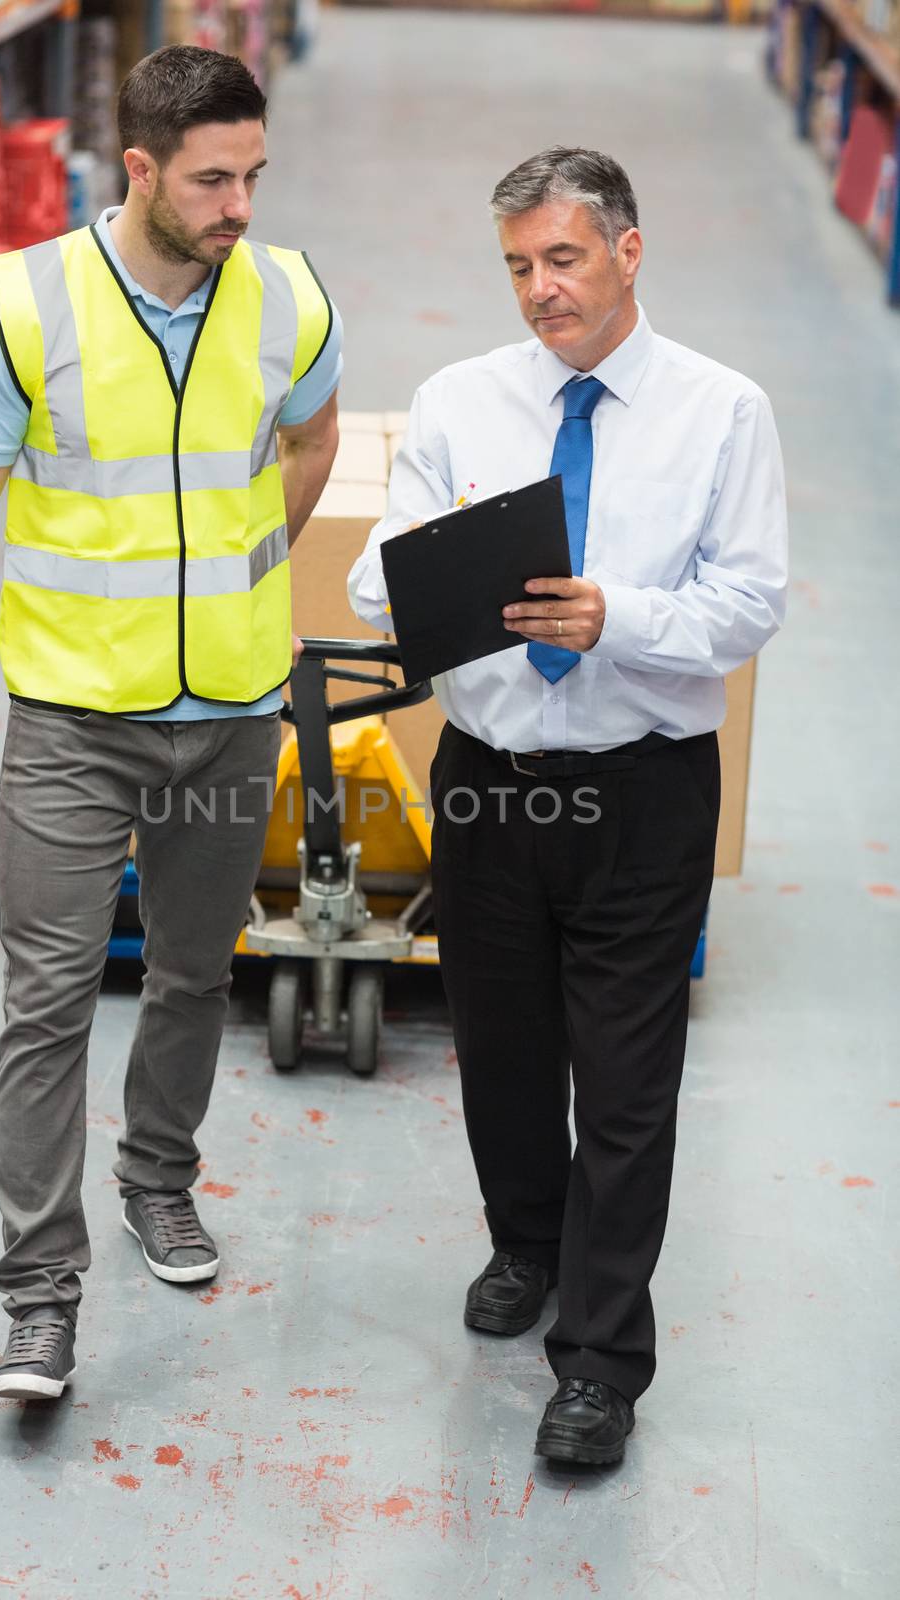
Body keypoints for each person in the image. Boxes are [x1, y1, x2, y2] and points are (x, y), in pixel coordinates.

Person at [0, 45, 342, 1401]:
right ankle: (39, 1297)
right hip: (74, 720)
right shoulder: (26, 305)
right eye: (213, 181)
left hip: (227, 714)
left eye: (255, 176)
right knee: (46, 1003)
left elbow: (315, 439)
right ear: (141, 169)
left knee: (198, 976)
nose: (240, 208)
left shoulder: (286, 297)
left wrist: (241, 565)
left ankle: (161, 1178)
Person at [348, 147, 786, 1465]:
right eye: (520, 266)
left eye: (565, 259)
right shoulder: (460, 401)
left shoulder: (723, 412)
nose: (541, 291)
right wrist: (447, 571)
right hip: (486, 783)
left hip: (643, 790)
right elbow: (378, 579)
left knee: (630, 1084)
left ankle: (599, 1362)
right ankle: (526, 1244)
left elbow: (749, 601)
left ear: (629, 249)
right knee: (505, 1049)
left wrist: (617, 616)